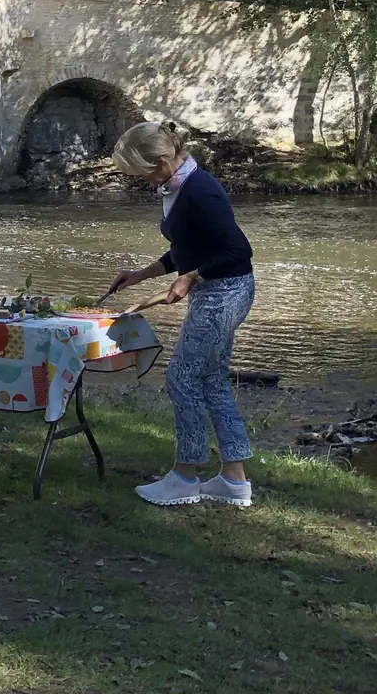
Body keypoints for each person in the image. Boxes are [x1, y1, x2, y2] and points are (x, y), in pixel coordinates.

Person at [107, 120, 258, 508]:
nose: (139, 181)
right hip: (218, 289)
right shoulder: (177, 185)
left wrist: (191, 278)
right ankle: (233, 480)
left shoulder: (200, 189)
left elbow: (238, 251)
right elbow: (189, 246)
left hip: (224, 292)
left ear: (158, 161)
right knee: (211, 380)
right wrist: (144, 274)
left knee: (181, 378)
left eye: (140, 173)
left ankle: (185, 476)